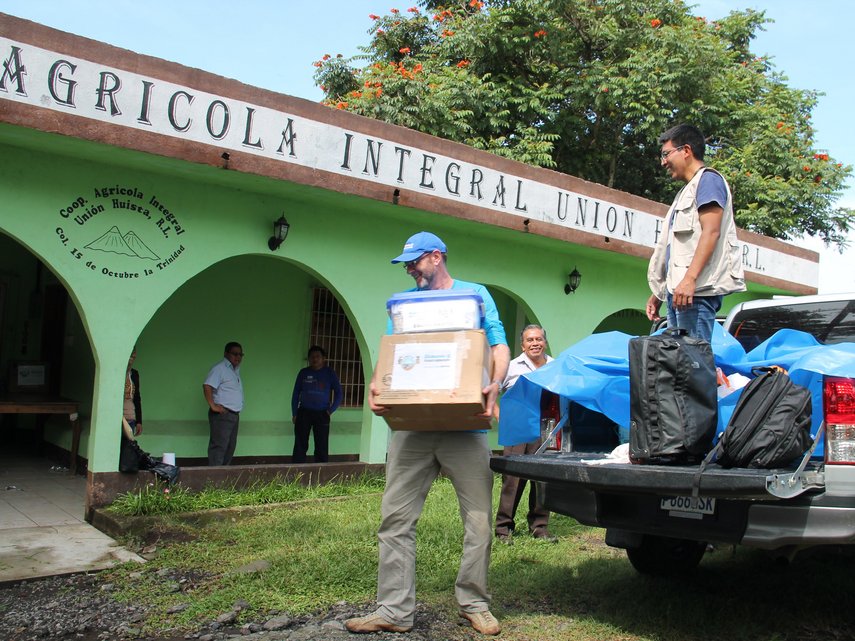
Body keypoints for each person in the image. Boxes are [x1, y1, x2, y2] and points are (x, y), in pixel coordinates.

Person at [345, 231, 510, 637]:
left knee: (479, 522)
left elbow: (499, 344)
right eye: (405, 263)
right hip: (412, 428)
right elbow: (393, 354)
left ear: (436, 257)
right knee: (395, 519)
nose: (409, 268)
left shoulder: (475, 295)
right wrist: (376, 385)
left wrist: (495, 382)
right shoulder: (404, 304)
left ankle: (474, 603)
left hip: (466, 427)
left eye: (414, 260)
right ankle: (393, 610)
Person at [645, 124, 745, 342]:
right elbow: (678, 250)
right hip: (679, 294)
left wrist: (690, 280)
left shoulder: (708, 181)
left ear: (686, 151)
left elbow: (711, 232)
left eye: (666, 154)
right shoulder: (685, 192)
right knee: (680, 365)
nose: (663, 162)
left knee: (693, 365)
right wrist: (660, 293)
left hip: (696, 294)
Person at [494, 324, 558, 545]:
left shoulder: (554, 366)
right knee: (513, 479)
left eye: (538, 339)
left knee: (542, 480)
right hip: (518, 429)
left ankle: (539, 527)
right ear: (523, 345)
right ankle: (503, 529)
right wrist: (501, 418)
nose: (535, 343)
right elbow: (491, 393)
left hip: (546, 428)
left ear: (545, 342)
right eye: (530, 340)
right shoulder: (511, 367)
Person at [290, 345, 343, 463]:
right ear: (309, 359)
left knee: (322, 445)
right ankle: (297, 472)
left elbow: (339, 394)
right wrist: (294, 413)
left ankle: (321, 474)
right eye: (312, 357)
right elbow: (295, 394)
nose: (315, 359)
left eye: (318, 356)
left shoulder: (329, 373)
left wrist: (330, 411)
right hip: (304, 412)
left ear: (323, 358)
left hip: (322, 413)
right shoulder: (303, 373)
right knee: (300, 444)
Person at [203, 341, 244, 466]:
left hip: (233, 414)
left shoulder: (234, 370)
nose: (238, 357)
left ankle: (223, 477)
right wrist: (213, 405)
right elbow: (207, 386)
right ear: (226, 354)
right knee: (219, 447)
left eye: (240, 354)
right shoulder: (220, 369)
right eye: (234, 354)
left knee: (230, 447)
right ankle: (215, 478)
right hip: (223, 414)